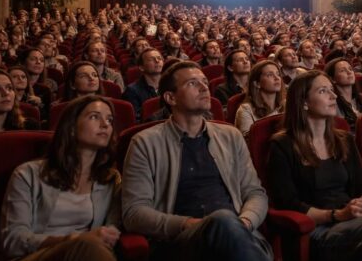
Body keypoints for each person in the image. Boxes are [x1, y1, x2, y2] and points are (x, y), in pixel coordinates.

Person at [266, 71, 362, 261]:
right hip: (318, 229)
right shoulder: (282, 145)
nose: (334, 96)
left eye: (332, 90)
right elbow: (288, 202)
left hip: (353, 219)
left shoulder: (344, 139)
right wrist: (337, 215)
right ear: (304, 102)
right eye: (323, 91)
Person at [121, 60, 272, 260]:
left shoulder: (230, 136)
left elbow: (255, 193)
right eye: (192, 83)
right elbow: (134, 213)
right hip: (180, 242)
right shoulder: (144, 143)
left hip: (239, 235)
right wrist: (187, 223)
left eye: (204, 81)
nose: (204, 87)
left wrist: (244, 223)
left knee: (226, 222)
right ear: (170, 98)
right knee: (223, 219)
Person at [0, 95, 121, 261]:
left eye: (109, 120)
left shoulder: (110, 179)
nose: (105, 125)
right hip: (32, 256)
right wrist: (71, 240)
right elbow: (12, 240)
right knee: (88, 245)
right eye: (94, 117)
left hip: (86, 256)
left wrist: (105, 235)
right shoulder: (27, 174)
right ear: (71, 128)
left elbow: (112, 231)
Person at [235, 60, 285, 136]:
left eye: (278, 74)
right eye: (270, 75)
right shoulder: (246, 110)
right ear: (257, 83)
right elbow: (250, 142)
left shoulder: (287, 104)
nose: (277, 78)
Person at [324, 57, 362, 131]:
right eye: (342, 70)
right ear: (332, 79)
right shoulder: (333, 103)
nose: (349, 72)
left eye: (350, 69)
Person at [122, 48, 163, 121]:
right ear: (141, 67)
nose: (157, 61)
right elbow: (137, 119)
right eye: (151, 59)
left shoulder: (170, 85)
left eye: (159, 58)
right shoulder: (132, 91)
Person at [214, 50, 251, 116]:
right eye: (240, 60)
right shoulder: (222, 90)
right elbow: (228, 114)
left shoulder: (256, 85)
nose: (245, 62)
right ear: (230, 68)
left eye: (247, 59)